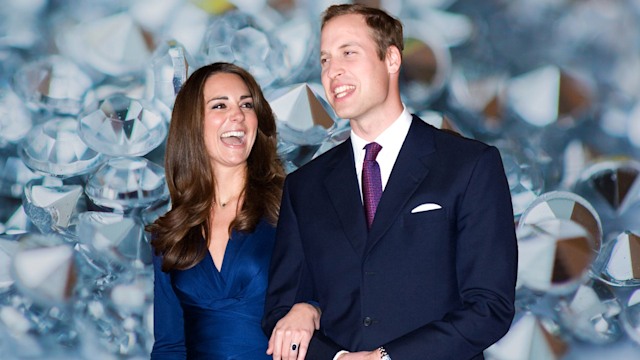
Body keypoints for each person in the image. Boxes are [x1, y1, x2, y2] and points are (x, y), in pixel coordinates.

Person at [263, 4, 518, 360]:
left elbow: (490, 307)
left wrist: (386, 358)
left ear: (392, 59)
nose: (333, 71)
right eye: (324, 60)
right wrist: (325, 342)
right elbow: (280, 311)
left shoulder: (470, 165)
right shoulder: (304, 186)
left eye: (348, 53)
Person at [148, 62, 319, 359]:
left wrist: (310, 309)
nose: (237, 115)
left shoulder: (294, 205)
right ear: (193, 123)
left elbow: (346, 294)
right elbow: (169, 345)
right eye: (219, 105)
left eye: (246, 105)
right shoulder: (170, 232)